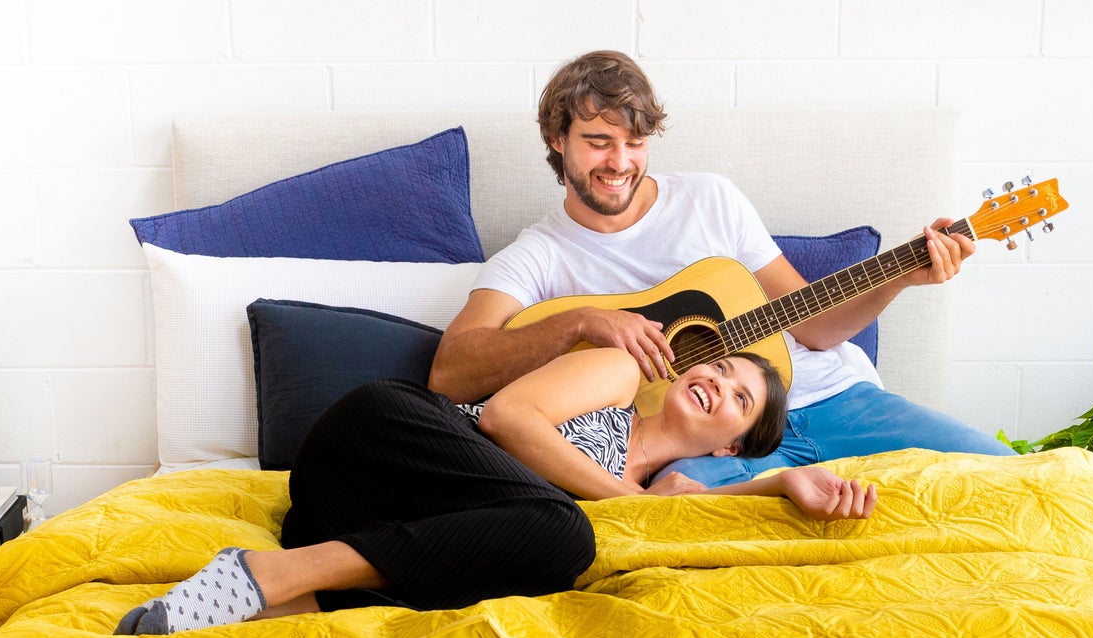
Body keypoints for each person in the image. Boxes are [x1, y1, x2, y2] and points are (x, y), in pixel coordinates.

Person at [428, 49, 1006, 490]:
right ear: (558, 141)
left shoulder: (710, 200)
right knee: (678, 532)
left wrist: (900, 277)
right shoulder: (539, 255)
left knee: (1005, 473)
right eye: (598, 143)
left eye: (635, 143)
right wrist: (580, 322)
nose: (619, 163)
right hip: (706, 445)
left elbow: (814, 327)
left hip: (836, 399)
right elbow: (451, 373)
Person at [115, 348, 875, 636]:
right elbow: (509, 417)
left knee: (524, 571)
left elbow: (691, 519)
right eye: (717, 368)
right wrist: (619, 498)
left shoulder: (667, 493)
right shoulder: (615, 377)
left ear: (733, 446)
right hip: (384, 438)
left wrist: (779, 482)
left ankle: (272, 596)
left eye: (740, 397)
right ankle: (270, 575)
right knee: (566, 536)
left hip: (359, 527)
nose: (717, 382)